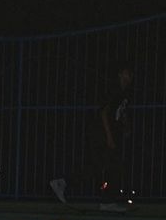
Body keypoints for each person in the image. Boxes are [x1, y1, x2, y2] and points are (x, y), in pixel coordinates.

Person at [50, 64, 134, 212]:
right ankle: (107, 201)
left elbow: (121, 111)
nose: (129, 78)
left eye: (130, 76)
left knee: (99, 166)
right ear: (120, 75)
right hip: (100, 135)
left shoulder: (124, 93)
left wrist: (126, 126)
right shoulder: (114, 90)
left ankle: (63, 183)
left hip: (106, 135)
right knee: (112, 166)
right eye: (126, 74)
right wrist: (109, 137)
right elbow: (103, 113)